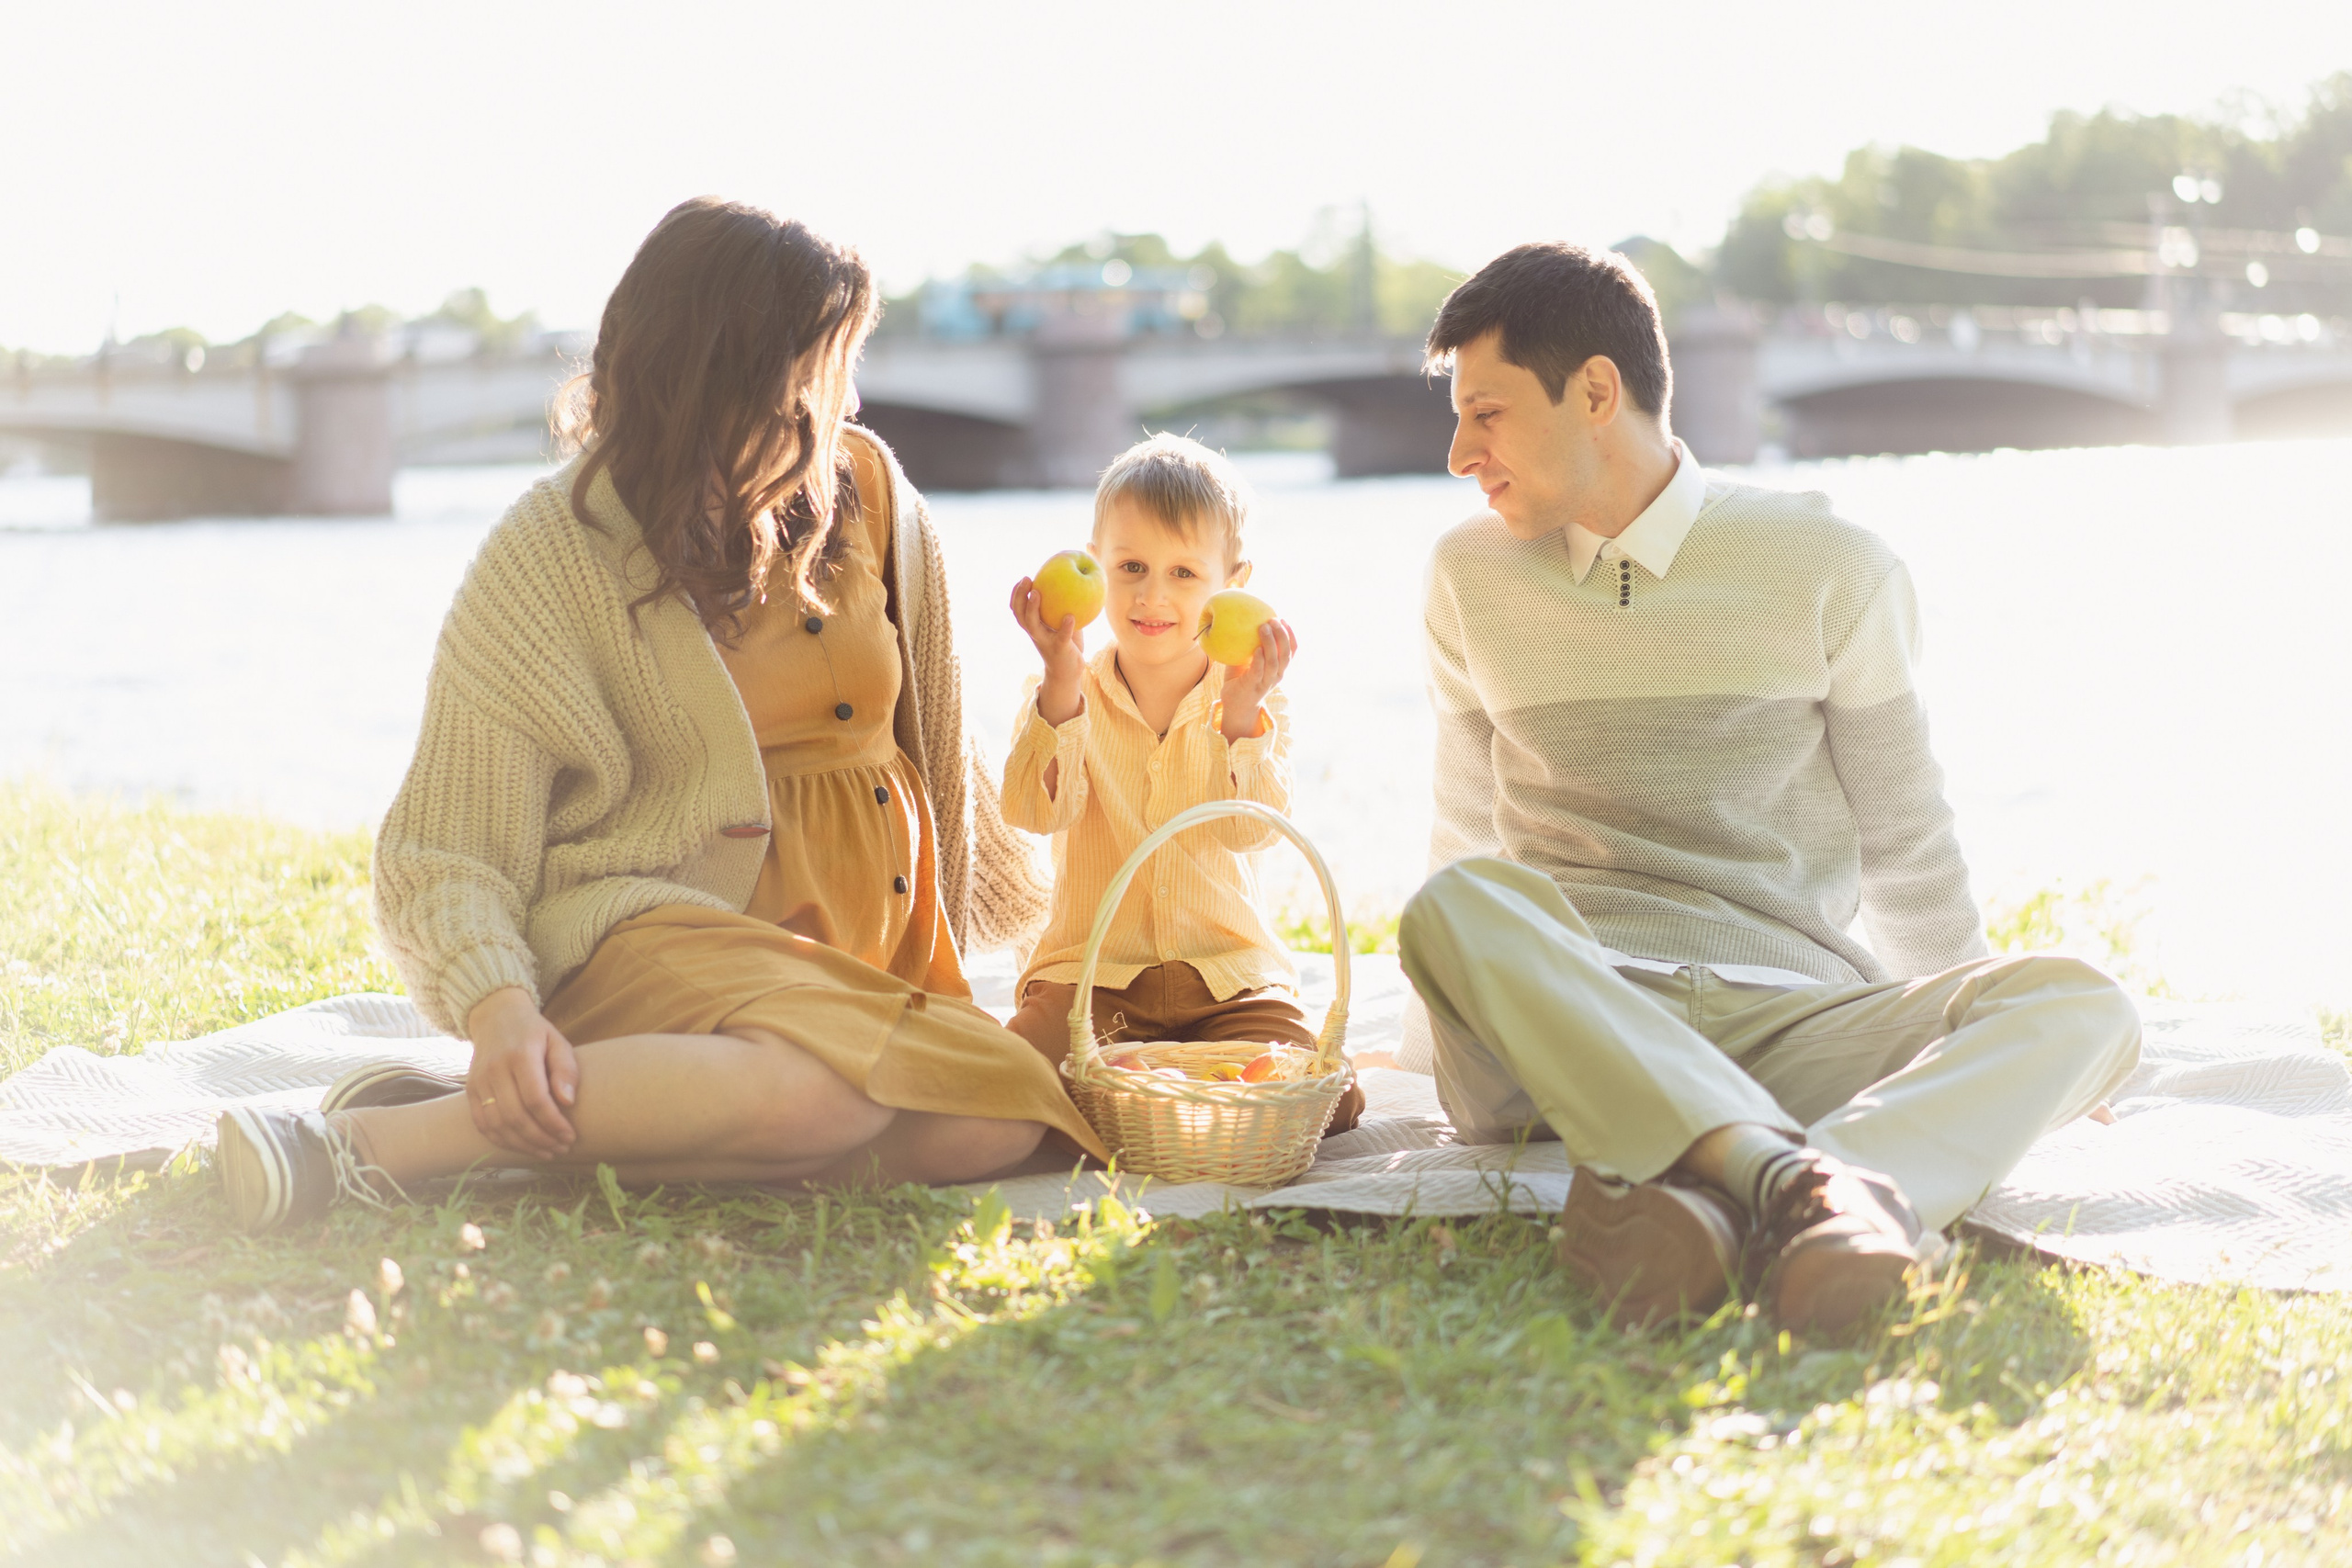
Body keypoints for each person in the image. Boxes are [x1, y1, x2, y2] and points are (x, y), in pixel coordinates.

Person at [213, 197, 1105, 1233]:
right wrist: (500, 1012)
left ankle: (580, 1122)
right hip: (647, 936)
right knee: (817, 1095)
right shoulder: (555, 550)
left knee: (988, 1127)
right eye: (824, 372)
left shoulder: (874, 492)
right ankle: (367, 1150)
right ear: (731, 381)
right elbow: (441, 852)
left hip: (859, 960)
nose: (850, 397)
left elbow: (938, 751)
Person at [1396, 243, 2140, 1335]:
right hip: (1565, 1020)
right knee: (1461, 903)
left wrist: (1974, 1045)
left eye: (1488, 413)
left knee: (2082, 1003)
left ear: (1595, 391)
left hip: (1785, 1016)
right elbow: (1463, 826)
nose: (1461, 453)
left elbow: (1905, 836)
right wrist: (1429, 1046)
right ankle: (1813, 1190)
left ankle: (1766, 1187)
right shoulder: (1468, 575)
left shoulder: (1829, 565)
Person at [999, 434, 1361, 1134]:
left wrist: (1243, 715)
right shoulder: (1065, 691)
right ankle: (1155, 1084)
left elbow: (1251, 830)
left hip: (1227, 979)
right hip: (1094, 978)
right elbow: (1036, 811)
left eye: (1185, 573)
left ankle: (1143, 1087)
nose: (1152, 595)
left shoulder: (1253, 698)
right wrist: (1061, 686)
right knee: (1012, 1075)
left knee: (1329, 1100)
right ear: (1096, 565)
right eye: (1130, 566)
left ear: (1234, 581)